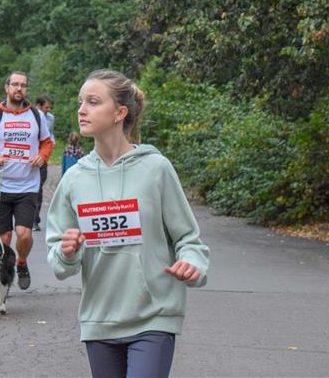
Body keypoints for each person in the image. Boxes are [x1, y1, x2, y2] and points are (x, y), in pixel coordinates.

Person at [45, 69, 210, 378]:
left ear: (120, 113)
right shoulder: (73, 179)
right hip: (99, 319)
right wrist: (67, 252)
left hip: (154, 316)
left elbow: (188, 238)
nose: (82, 110)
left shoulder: (156, 169)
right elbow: (58, 262)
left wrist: (192, 264)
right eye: (80, 102)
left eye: (93, 102)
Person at [0, 71, 54, 290]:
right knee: (5, 238)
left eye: (23, 85)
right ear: (7, 87)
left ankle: (22, 262)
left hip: (27, 185)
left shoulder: (36, 116)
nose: (19, 88)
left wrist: (42, 156)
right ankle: (3, 279)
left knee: (24, 235)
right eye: (15, 84)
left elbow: (47, 143)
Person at [32, 94, 55, 231]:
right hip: (30, 159)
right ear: (38, 106)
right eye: (46, 107)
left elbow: (50, 133)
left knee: (38, 188)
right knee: (30, 189)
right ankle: (28, 218)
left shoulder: (50, 118)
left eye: (49, 107)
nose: (48, 110)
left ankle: (34, 219)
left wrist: (52, 140)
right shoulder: (30, 116)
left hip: (42, 158)